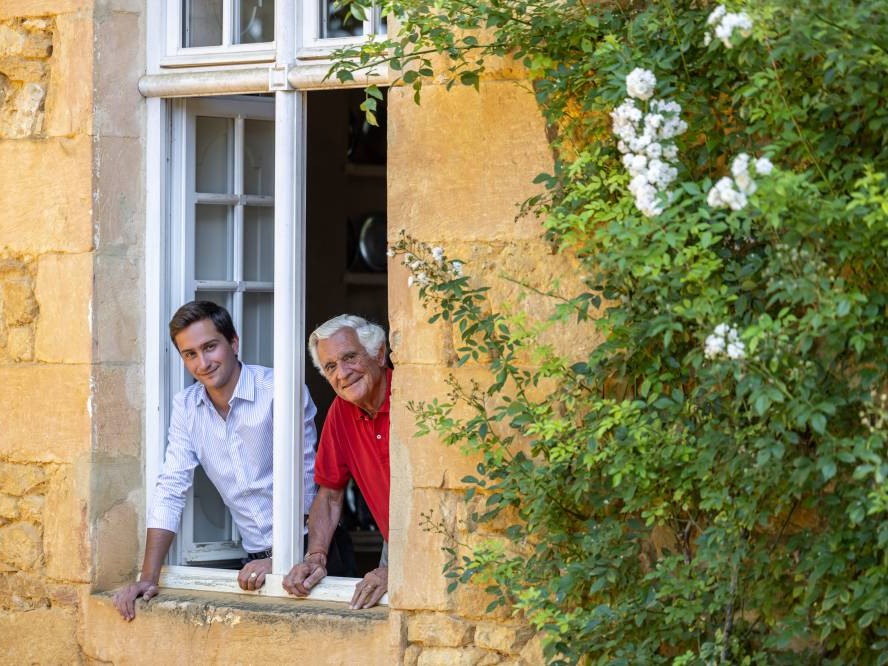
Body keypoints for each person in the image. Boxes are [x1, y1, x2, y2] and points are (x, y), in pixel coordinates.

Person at [112, 301, 319, 620]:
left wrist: (282, 559)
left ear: (233, 342)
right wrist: (148, 578)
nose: (203, 363)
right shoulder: (187, 407)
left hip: (312, 550)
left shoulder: (278, 391)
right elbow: (171, 488)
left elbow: (308, 482)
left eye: (210, 347)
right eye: (190, 354)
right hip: (255, 562)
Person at [282, 314, 391, 609]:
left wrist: (400, 570)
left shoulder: (411, 398)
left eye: (350, 357)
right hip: (395, 542)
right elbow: (330, 494)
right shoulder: (340, 412)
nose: (342, 374)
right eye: (331, 366)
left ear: (379, 354)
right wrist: (315, 556)